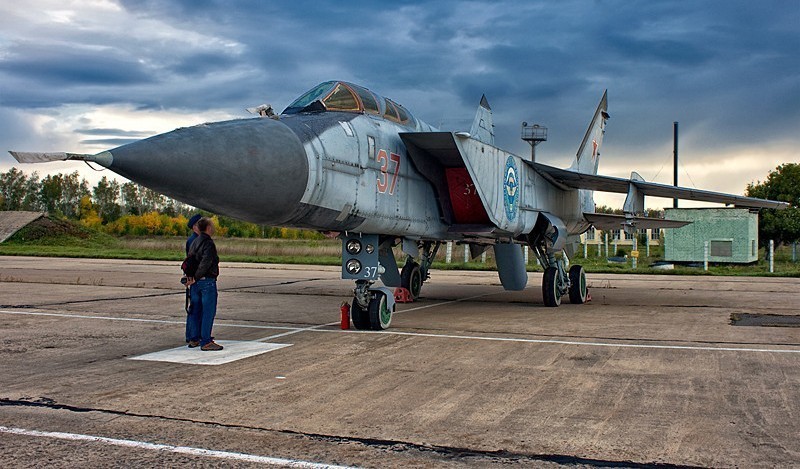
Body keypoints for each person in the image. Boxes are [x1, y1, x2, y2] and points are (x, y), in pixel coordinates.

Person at [186, 217, 223, 351]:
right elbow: (206, 263)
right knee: (208, 311)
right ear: (207, 228)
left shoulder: (194, 242)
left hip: (195, 284)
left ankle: (194, 338)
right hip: (206, 281)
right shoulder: (208, 243)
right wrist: (196, 277)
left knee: (196, 310)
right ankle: (206, 341)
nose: (213, 227)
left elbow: (190, 261)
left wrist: (191, 278)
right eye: (211, 226)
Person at [184, 213, 202, 348]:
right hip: (195, 278)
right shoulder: (194, 240)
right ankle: (193, 336)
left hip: (194, 277)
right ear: (195, 226)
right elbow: (192, 261)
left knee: (196, 307)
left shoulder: (196, 239)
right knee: (195, 307)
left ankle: (193, 335)